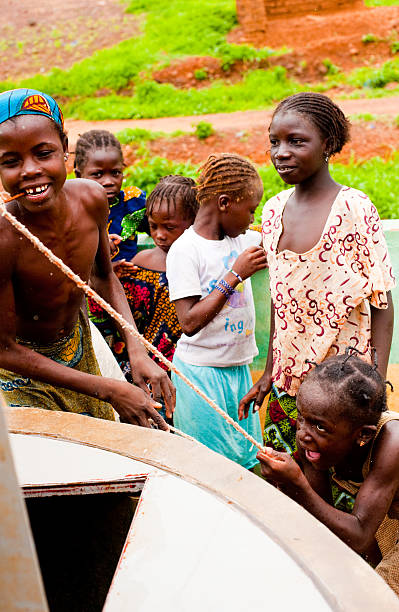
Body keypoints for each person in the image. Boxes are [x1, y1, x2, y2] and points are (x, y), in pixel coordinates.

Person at [0, 88, 174, 427]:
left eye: (43, 153)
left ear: (64, 148)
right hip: (19, 375)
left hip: (79, 345)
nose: (30, 170)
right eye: (11, 162)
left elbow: (104, 278)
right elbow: (3, 350)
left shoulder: (90, 199)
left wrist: (137, 350)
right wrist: (107, 389)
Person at [239, 92, 395, 458]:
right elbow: (281, 300)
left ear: (327, 144)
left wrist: (375, 388)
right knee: (285, 481)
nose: (281, 152)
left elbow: (382, 304)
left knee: (335, 492)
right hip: (286, 385)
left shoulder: (354, 208)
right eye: (274, 142)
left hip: (343, 393)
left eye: (296, 141)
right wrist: (268, 373)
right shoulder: (274, 210)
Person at [257, 350, 399, 596]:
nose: (302, 434)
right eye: (301, 418)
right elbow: (321, 521)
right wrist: (288, 488)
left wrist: (298, 484)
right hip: (385, 516)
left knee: (380, 595)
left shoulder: (393, 443)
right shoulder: (315, 442)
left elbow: (359, 536)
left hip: (378, 521)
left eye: (320, 426)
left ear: (362, 435)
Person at [166, 153, 266, 469]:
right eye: (250, 210)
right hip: (201, 374)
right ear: (225, 203)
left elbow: (281, 235)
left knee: (247, 461)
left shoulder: (243, 240)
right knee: (207, 467)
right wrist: (234, 274)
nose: (253, 218)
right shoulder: (186, 250)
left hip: (237, 370)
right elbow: (189, 321)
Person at [88, 175, 198, 385]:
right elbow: (114, 317)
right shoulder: (141, 264)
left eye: (169, 227)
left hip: (190, 372)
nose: (159, 235)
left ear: (195, 222)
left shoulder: (205, 266)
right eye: (153, 226)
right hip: (145, 369)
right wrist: (111, 277)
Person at [74, 129, 148, 274]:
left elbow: (160, 230)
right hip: (90, 284)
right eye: (98, 174)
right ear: (79, 175)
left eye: (115, 173)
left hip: (132, 282)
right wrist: (98, 242)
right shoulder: (72, 209)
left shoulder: (132, 203)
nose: (108, 182)